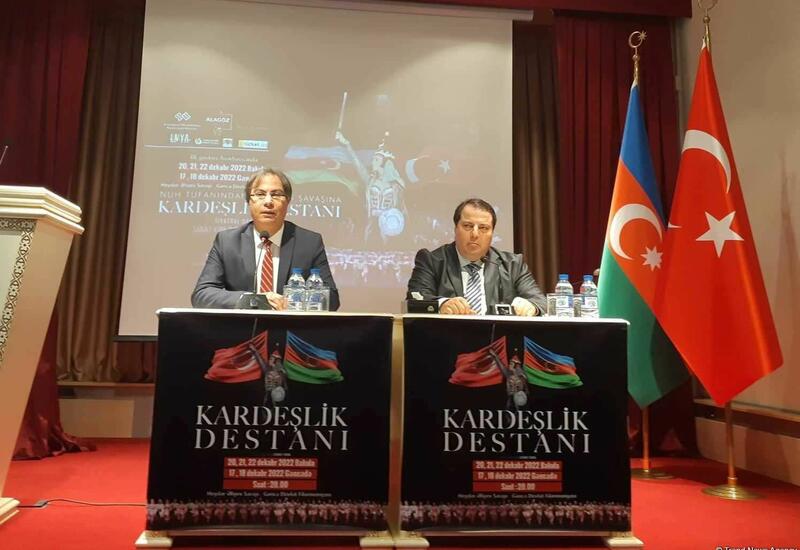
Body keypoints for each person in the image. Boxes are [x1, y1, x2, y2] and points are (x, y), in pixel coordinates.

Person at [191, 168, 340, 310]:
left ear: (287, 202)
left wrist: (292, 303)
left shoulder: (309, 242)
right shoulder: (227, 241)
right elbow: (202, 294)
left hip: (289, 326)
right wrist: (252, 300)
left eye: (276, 194)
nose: (268, 201)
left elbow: (332, 299)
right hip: (242, 326)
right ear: (249, 202)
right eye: (260, 194)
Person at [406, 198, 545, 316]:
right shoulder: (431, 261)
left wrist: (531, 307)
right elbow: (415, 300)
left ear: (492, 233)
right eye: (468, 226)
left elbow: (541, 303)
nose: (475, 234)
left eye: (483, 228)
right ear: (455, 228)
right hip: (448, 337)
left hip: (498, 338)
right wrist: (442, 304)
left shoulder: (512, 265)